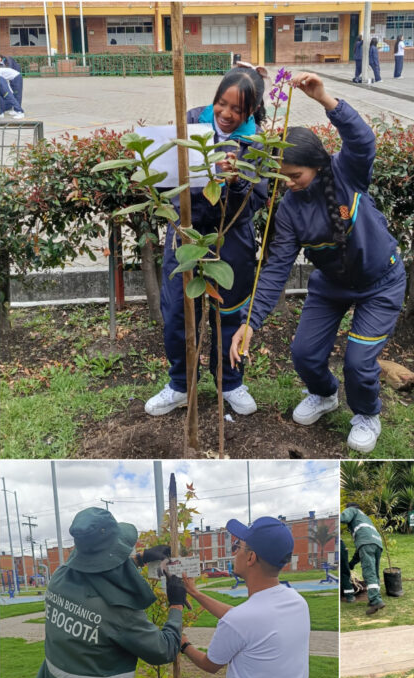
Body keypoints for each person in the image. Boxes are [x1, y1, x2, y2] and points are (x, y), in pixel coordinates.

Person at [230, 72, 406, 453]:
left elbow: (363, 140)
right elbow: (276, 267)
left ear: (316, 165)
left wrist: (326, 100)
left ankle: (366, 414)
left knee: (359, 362)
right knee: (304, 354)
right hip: (331, 285)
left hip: (381, 281)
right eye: (282, 177)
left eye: (295, 175)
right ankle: (325, 394)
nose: (288, 183)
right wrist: (250, 322)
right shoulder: (290, 210)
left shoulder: (345, 173)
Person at [144, 67, 268, 419]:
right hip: (186, 233)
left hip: (233, 238)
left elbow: (256, 201)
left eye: (237, 110)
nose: (226, 115)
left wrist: (237, 181)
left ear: (251, 111)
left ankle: (231, 383)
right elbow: (171, 169)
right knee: (178, 314)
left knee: (230, 312)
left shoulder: (256, 144)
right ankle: (180, 386)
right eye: (221, 104)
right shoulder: (193, 122)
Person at [30, 508, 186, 678]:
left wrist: (138, 559)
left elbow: (93, 570)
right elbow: (164, 650)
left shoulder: (59, 578)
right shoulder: (118, 611)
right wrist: (176, 606)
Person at [179, 517, 310, 678]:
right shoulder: (296, 602)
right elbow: (243, 620)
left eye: (238, 546)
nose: (234, 551)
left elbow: (210, 664)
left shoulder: (242, 620)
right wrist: (196, 593)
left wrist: (183, 644)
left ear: (251, 558)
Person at [340, 503, 386, 615]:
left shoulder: (352, 510)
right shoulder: (365, 518)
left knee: (368, 572)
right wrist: (352, 563)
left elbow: (343, 518)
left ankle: (376, 601)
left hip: (366, 543)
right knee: (374, 572)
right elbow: (360, 551)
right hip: (377, 543)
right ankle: (374, 598)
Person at [0, 54, 24, 119]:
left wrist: (8, 90)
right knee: (14, 94)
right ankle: (15, 110)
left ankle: (19, 112)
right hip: (12, 78)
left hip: (16, 77)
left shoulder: (7, 60)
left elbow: (3, 83)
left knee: (17, 94)